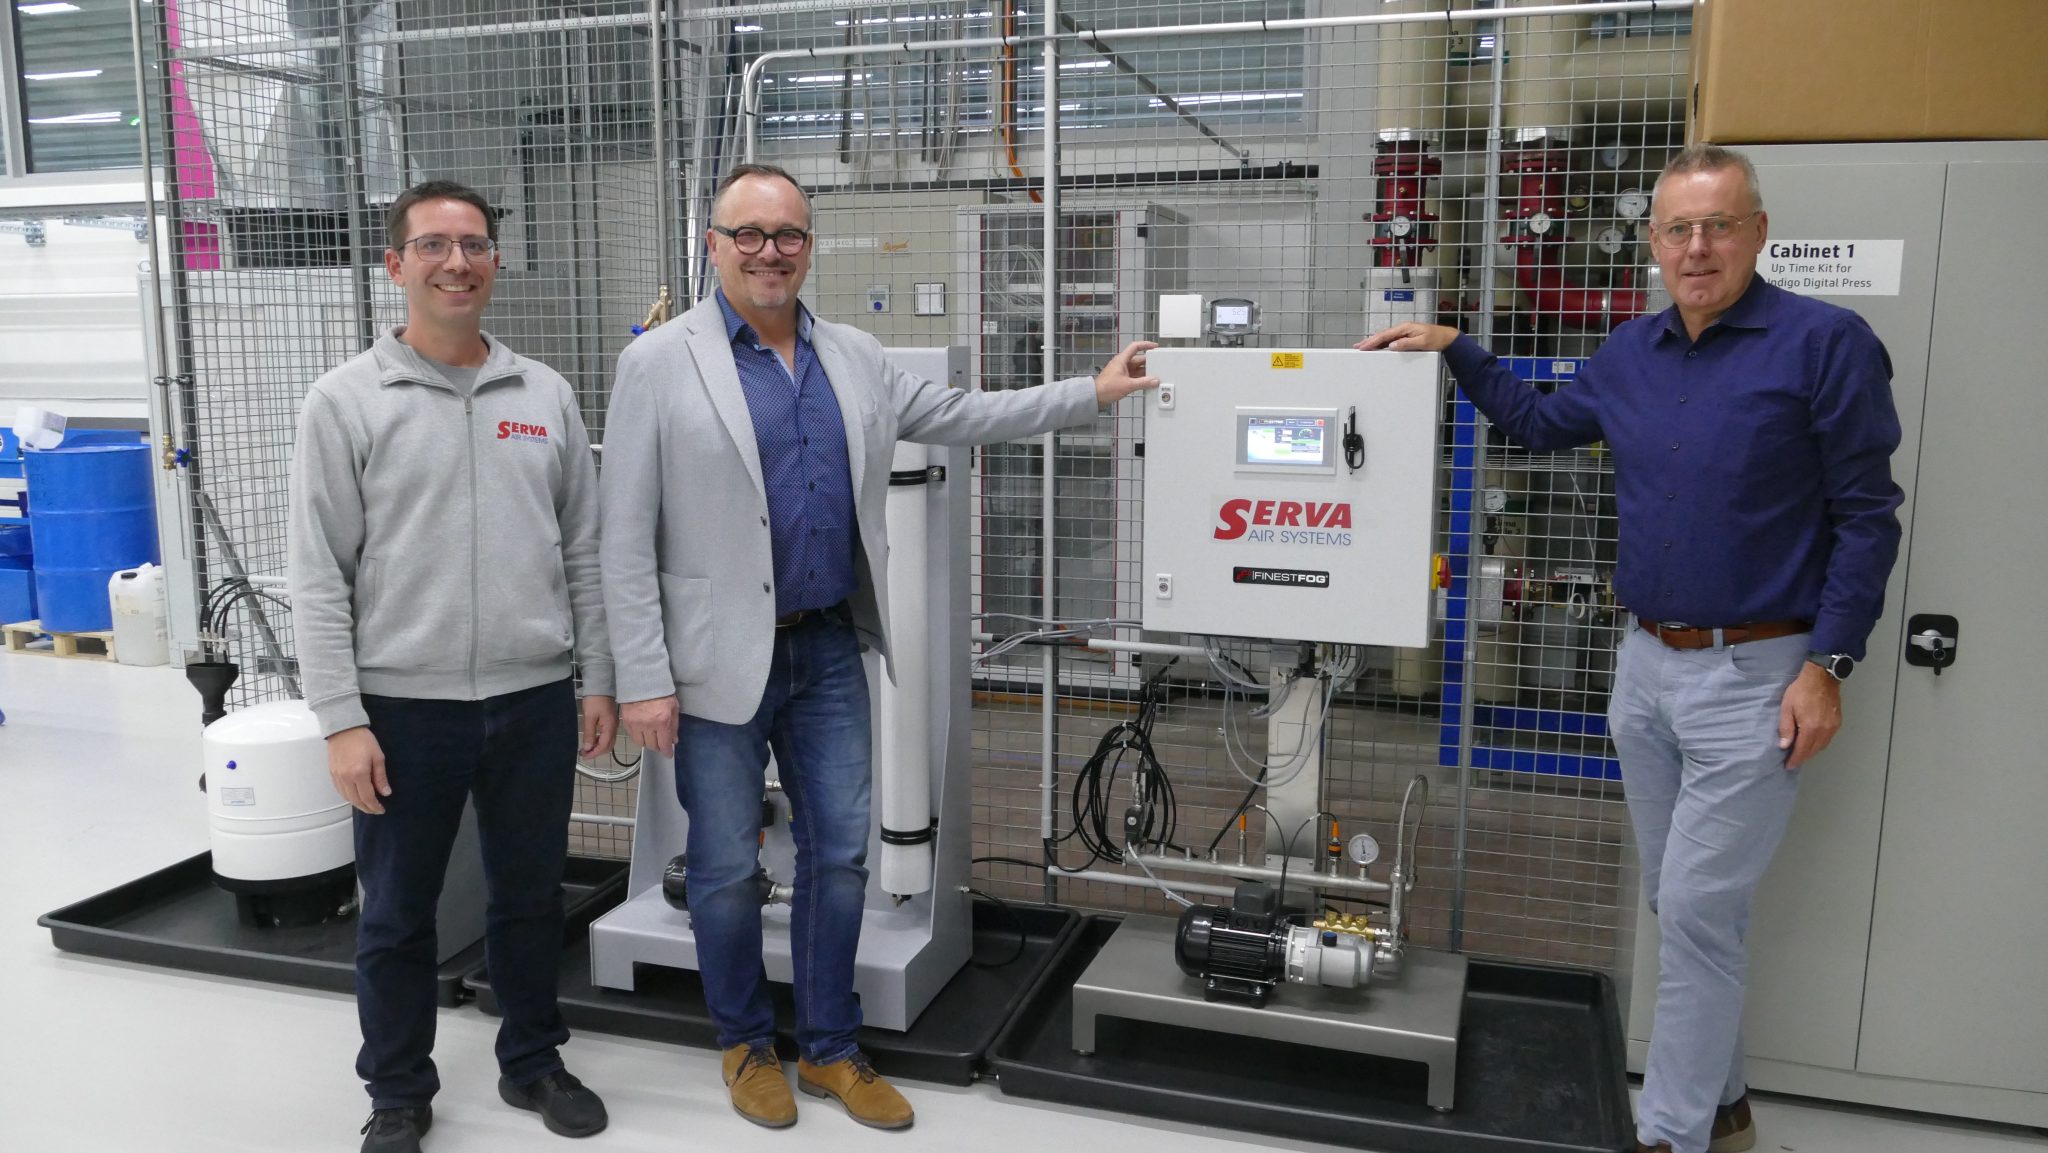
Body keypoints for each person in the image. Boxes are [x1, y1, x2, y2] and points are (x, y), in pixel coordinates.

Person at [1359, 143, 1902, 1153]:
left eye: (1718, 225)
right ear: (1652, 242)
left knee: (1693, 908)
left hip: (1759, 676)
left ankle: (1671, 1134)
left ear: (1757, 232)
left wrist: (1827, 667)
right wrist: (1456, 346)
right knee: (1681, 903)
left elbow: (1867, 519)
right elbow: (1536, 421)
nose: (1697, 248)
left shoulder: (1824, 344)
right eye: (1677, 229)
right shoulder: (1628, 353)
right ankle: (1726, 1108)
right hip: (1644, 670)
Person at [599, 162, 1157, 1131]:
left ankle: (828, 1047)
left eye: (788, 234)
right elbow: (622, 534)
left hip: (826, 648)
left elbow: (964, 415)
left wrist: (1092, 393)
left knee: (841, 859)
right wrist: (641, 676)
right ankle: (744, 1041)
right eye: (749, 234)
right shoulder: (658, 364)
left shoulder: (852, 355)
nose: (770, 251)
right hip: (710, 660)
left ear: (808, 247)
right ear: (714, 244)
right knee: (723, 866)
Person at [289, 179, 618, 1153]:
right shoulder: (345, 401)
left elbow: (584, 550)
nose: (456, 262)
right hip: (402, 707)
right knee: (397, 912)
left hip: (532, 696)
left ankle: (533, 1059)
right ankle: (397, 1089)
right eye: (432, 245)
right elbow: (317, 573)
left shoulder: (544, 395)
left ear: (495, 263)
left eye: (472, 244)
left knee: (530, 894)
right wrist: (341, 717)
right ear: (396, 265)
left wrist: (597, 674)